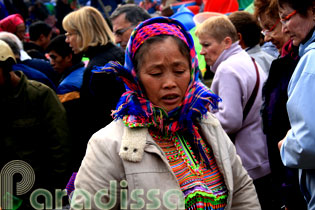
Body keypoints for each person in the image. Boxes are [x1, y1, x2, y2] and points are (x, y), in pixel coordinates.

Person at [70, 16, 260, 210]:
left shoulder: (208, 125)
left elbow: (241, 191)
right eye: (156, 73)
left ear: (192, 70)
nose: (170, 83)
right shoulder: (108, 144)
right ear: (135, 76)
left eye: (179, 71)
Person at [195, 15, 271, 209]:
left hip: (247, 159)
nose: (202, 52)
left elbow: (230, 120)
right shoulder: (244, 59)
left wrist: (199, 118)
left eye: (206, 45)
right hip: (260, 154)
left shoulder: (227, 69)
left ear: (227, 42)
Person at [0, 39, 72, 209]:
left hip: (41, 191)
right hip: (8, 191)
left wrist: (51, 192)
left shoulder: (40, 96)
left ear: (7, 67)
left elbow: (61, 146)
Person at [254, 0, 307, 209]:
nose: (267, 37)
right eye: (263, 30)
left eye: (270, 28)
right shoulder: (286, 60)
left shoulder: (299, 62)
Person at [62, 6, 125, 144]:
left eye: (69, 34)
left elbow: (97, 119)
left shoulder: (97, 69)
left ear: (83, 33)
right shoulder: (116, 53)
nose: (67, 40)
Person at [277, 0, 315, 209]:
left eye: (285, 18)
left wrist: (286, 145)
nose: (283, 28)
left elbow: (307, 145)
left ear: (312, 10)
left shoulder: (311, 60)